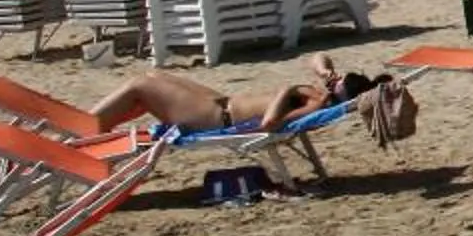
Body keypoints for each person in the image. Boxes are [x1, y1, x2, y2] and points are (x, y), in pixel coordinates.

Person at [92, 53, 375, 136]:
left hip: (215, 119)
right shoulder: (319, 94)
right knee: (154, 77)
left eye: (339, 81)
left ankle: (88, 126)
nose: (334, 80)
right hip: (221, 103)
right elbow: (317, 58)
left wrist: (286, 91)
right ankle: (98, 126)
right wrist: (326, 72)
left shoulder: (316, 106)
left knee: (140, 85)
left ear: (342, 93)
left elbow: (269, 123)